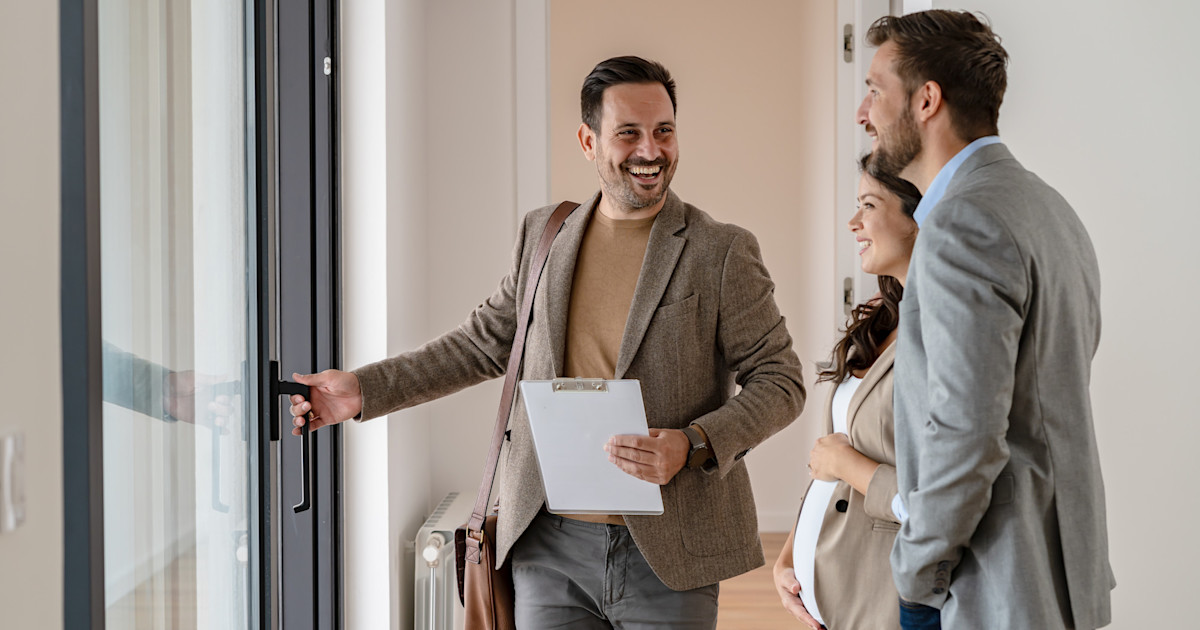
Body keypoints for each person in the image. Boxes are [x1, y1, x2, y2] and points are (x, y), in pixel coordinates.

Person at [288, 56, 806, 629]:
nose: (651, 151)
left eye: (664, 130)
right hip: (547, 544)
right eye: (628, 133)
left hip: (669, 548)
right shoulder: (545, 235)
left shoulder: (720, 250)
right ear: (588, 140)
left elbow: (781, 381)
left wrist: (693, 443)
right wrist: (363, 389)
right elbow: (482, 344)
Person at [858, 10, 1114, 629]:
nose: (863, 113)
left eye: (874, 90)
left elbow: (964, 433)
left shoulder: (959, 224)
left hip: (995, 586)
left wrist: (916, 579)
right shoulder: (1049, 209)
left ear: (926, 100)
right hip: (1064, 576)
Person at [773, 154, 920, 630]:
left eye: (869, 205)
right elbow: (830, 451)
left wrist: (844, 465)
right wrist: (791, 552)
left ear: (918, 218)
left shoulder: (943, 333)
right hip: (829, 597)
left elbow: (938, 499)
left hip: (883, 597)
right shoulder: (884, 318)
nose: (854, 223)